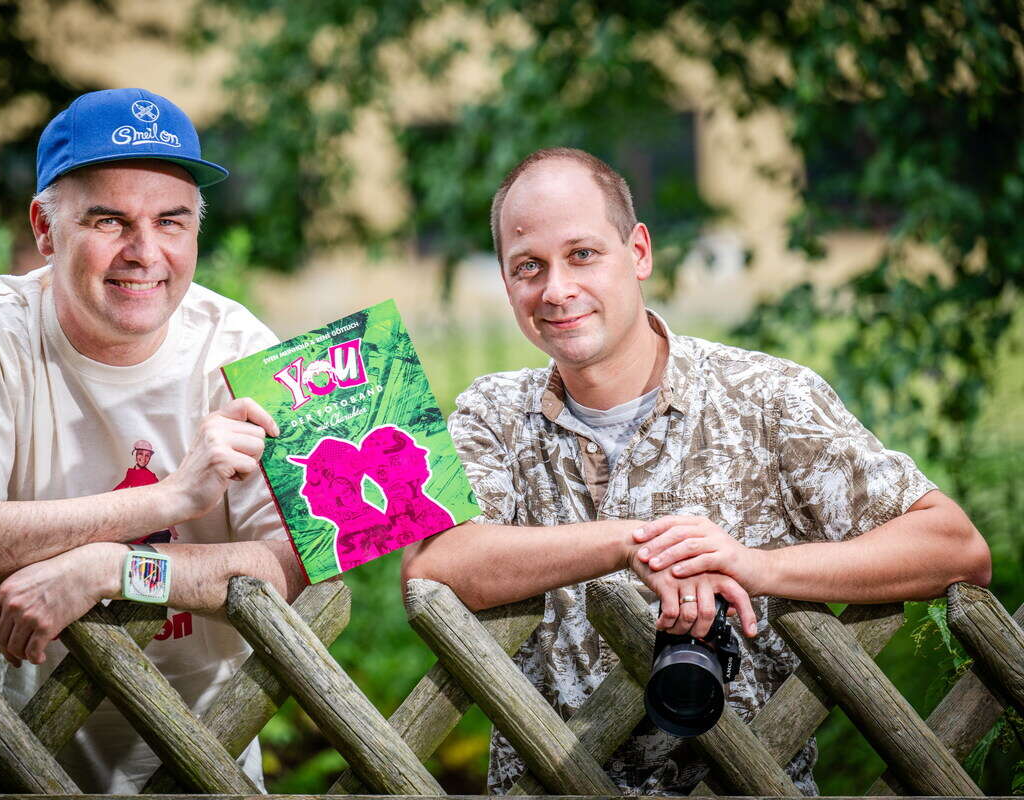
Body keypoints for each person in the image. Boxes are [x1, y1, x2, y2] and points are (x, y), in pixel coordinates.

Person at [400, 147, 992, 794]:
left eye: (583, 254)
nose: (556, 289)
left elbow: (954, 546)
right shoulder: (491, 412)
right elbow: (433, 564)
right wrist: (630, 543)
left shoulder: (768, 399)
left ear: (639, 253)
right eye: (528, 267)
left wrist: (758, 567)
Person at [0, 88, 303, 793]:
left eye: (171, 220)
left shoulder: (244, 352)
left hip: (197, 764)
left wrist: (112, 569)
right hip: (0, 764)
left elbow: (292, 567)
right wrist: (167, 499)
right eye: (110, 220)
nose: (145, 253)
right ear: (46, 231)